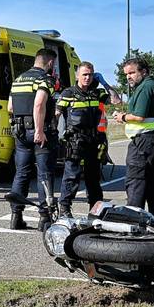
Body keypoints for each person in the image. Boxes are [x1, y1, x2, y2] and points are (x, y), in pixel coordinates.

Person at [55, 62, 121, 217]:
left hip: (94, 141)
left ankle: (96, 210)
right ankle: (64, 210)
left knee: (93, 179)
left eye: (90, 74)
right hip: (74, 141)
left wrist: (104, 83)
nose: (87, 77)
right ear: (77, 75)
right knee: (72, 176)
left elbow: (116, 100)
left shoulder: (96, 93)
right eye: (84, 74)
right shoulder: (68, 93)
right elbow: (56, 114)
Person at [7, 49, 58, 230]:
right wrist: (39, 130)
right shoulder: (46, 79)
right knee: (44, 174)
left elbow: (11, 107)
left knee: (21, 173)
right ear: (50, 63)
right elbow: (39, 104)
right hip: (40, 132)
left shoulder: (18, 80)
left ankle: (16, 215)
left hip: (20, 132)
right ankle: (45, 217)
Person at [112, 57, 154, 216]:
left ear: (143, 72)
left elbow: (139, 116)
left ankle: (134, 222)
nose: (128, 77)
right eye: (126, 74)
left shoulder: (145, 88)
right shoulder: (153, 85)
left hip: (143, 143)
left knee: (136, 183)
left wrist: (122, 117)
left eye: (132, 72)